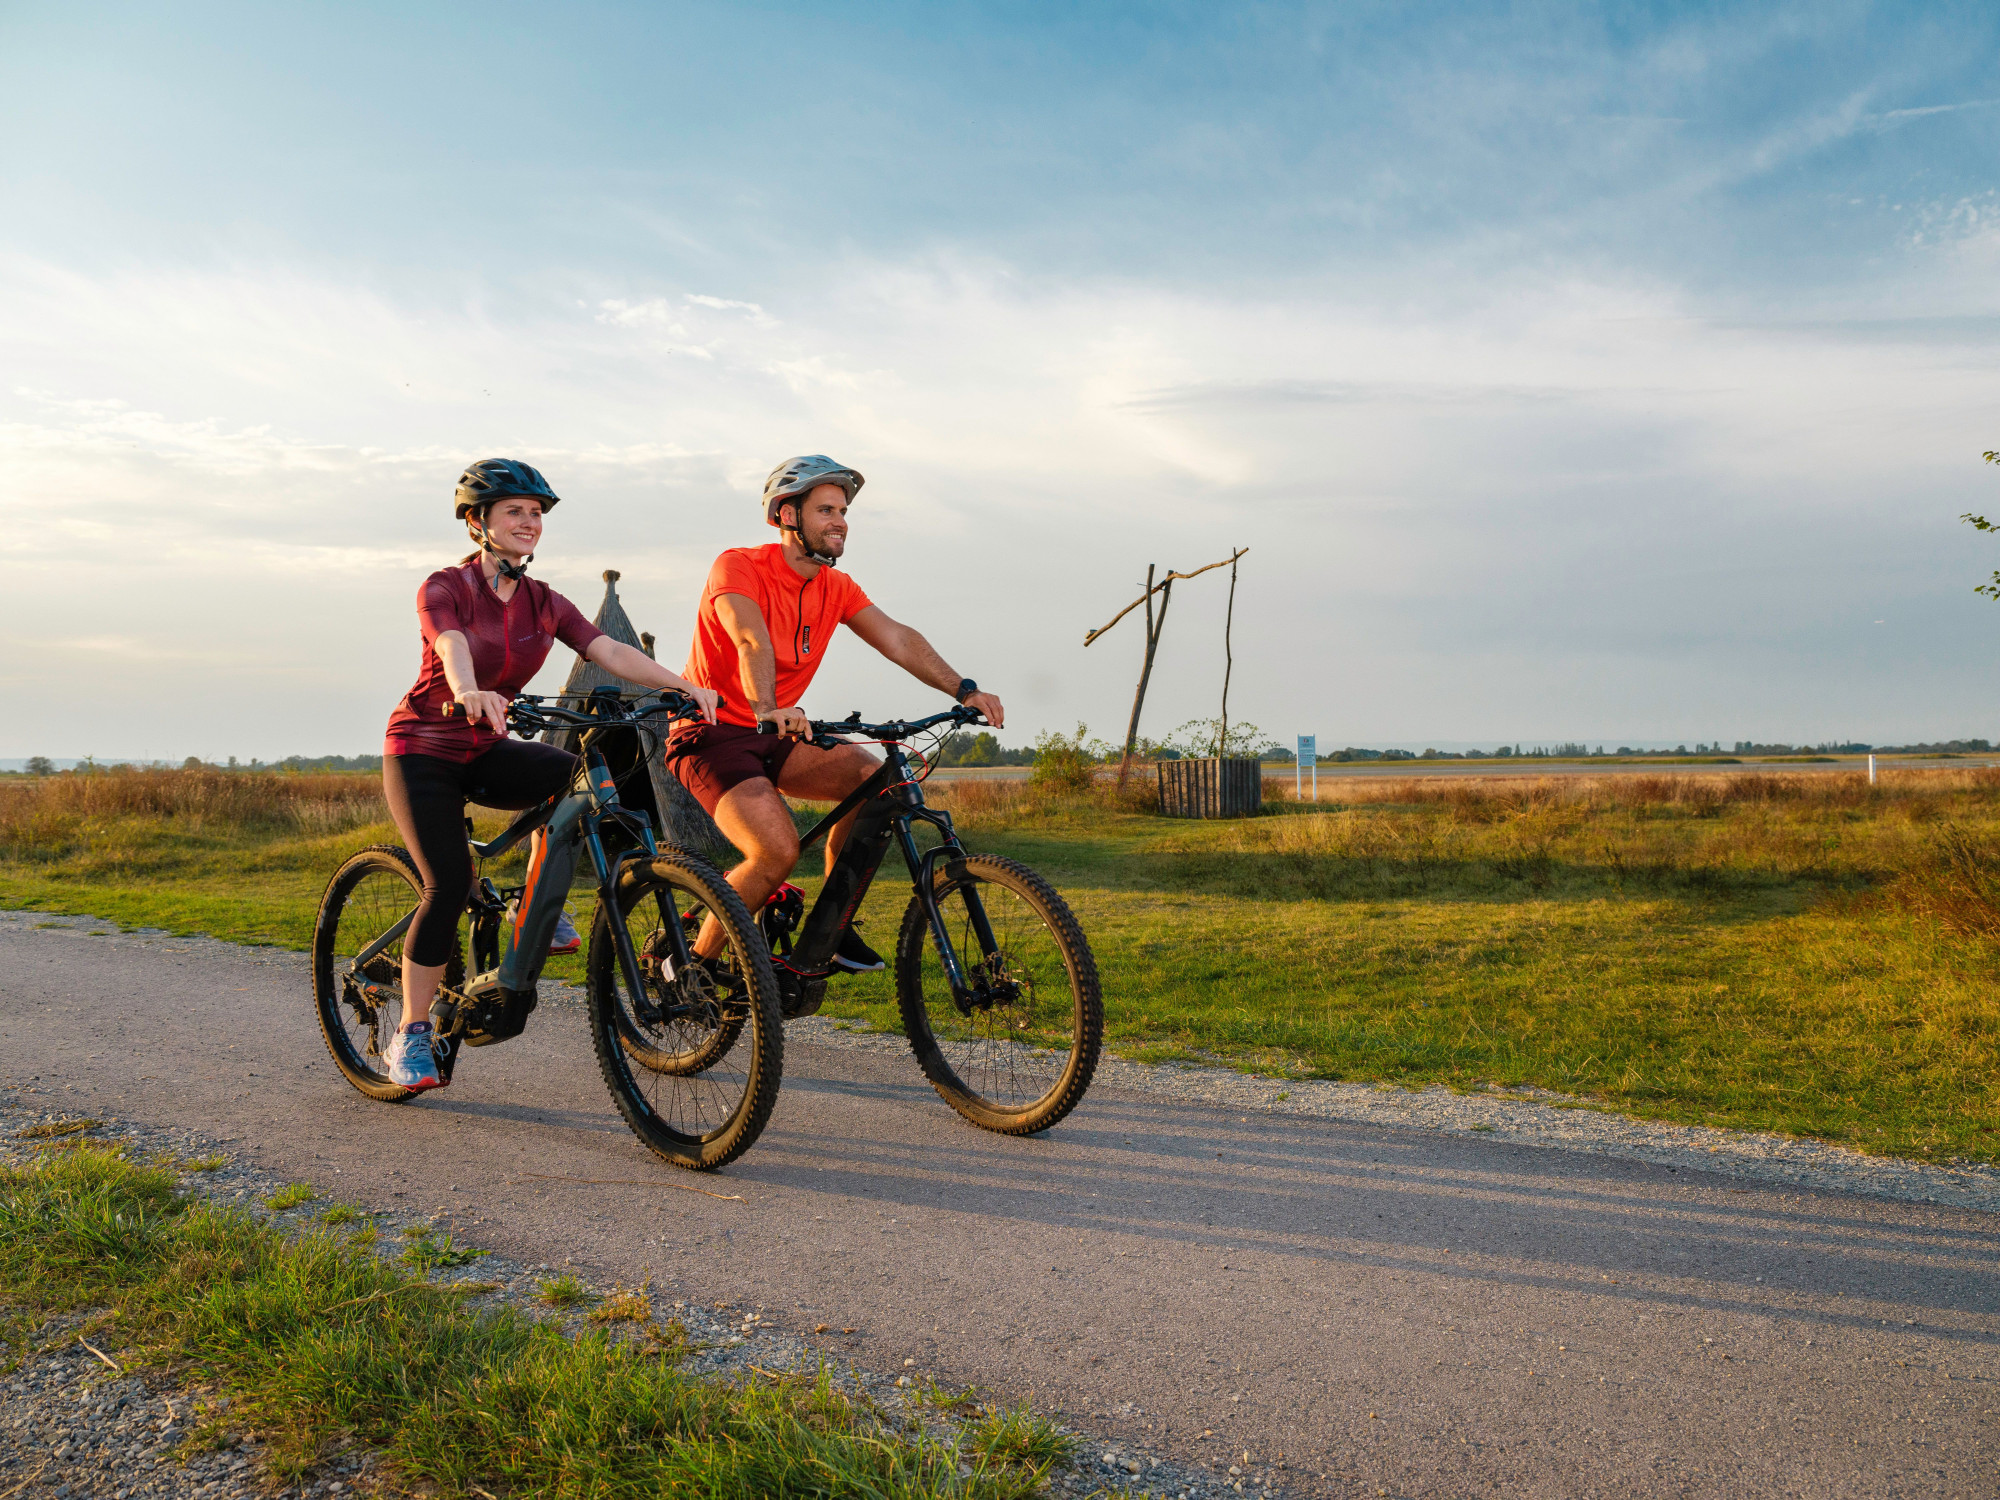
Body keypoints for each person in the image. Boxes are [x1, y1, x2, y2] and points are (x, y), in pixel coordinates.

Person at [379, 458, 719, 1091]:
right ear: (478, 522)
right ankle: (411, 1033)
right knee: (446, 884)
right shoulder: (445, 587)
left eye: (536, 514)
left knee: (572, 778)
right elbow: (449, 643)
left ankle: (530, 901)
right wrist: (469, 690)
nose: (530, 523)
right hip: (423, 749)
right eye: (515, 512)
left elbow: (609, 651)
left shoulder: (543, 601)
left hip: (487, 746)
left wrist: (681, 684)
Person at [665, 454, 1004, 971]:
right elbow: (749, 636)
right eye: (825, 509)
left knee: (872, 779)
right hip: (711, 735)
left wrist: (964, 689)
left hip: (777, 731)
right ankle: (690, 967)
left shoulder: (835, 588)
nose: (840, 521)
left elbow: (898, 639)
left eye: (843, 510)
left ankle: (834, 922)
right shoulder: (737, 566)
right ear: (786, 515)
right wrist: (768, 706)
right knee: (775, 854)